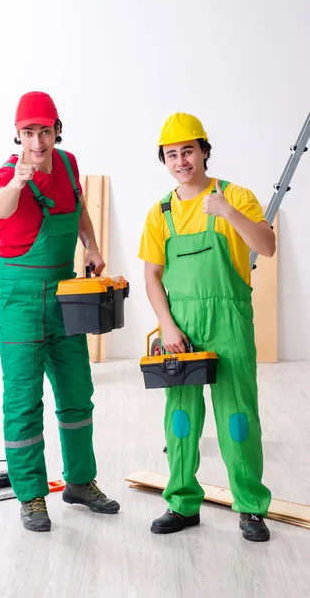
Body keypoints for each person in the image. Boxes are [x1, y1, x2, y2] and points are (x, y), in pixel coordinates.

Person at [138, 112, 275, 542]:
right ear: (165, 160)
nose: (181, 161)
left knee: (237, 418)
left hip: (229, 321)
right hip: (181, 328)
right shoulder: (161, 212)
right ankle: (181, 503)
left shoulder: (237, 196)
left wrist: (228, 212)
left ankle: (251, 507)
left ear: (204, 152)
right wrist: (166, 326)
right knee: (181, 418)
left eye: (188, 151)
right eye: (172, 154)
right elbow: (151, 276)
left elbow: (266, 247)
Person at [0, 91, 120, 532]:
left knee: (77, 389)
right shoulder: (8, 174)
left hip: (64, 291)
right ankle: (31, 496)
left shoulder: (67, 163)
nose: (38, 142)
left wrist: (93, 245)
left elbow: (78, 205)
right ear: (18, 135)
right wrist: (18, 183)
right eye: (29, 133)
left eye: (45, 131)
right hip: (19, 295)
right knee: (24, 399)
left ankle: (81, 482)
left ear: (56, 129)